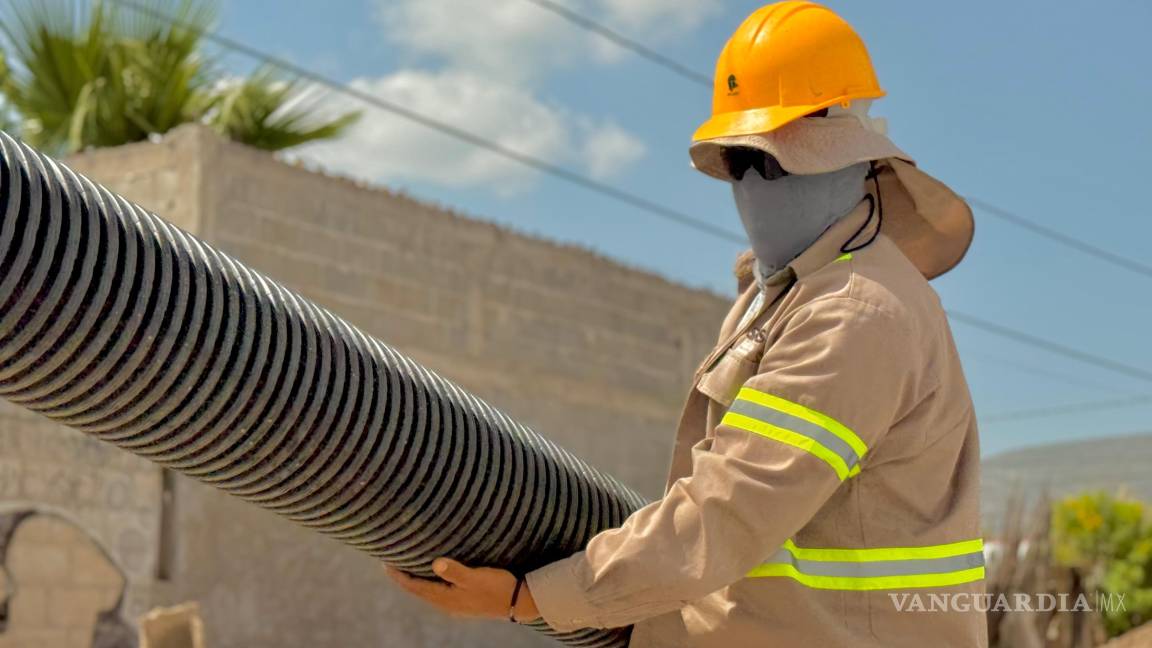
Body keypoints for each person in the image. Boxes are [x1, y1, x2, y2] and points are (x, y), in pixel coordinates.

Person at [388, 2, 986, 646]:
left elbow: (729, 510)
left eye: (773, 161)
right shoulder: (783, 297)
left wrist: (528, 597)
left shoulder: (853, 314)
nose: (752, 186)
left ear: (854, 159)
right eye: (738, 163)